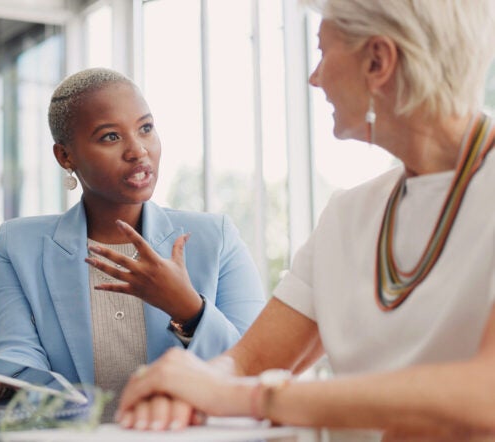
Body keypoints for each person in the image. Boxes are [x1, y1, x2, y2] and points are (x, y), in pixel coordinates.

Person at [113, 0, 495, 437]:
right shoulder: (348, 215)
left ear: (377, 61)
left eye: (322, 51)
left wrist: (253, 397)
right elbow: (246, 363)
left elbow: (487, 392)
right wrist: (183, 386)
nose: (315, 78)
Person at [0, 67, 266, 421]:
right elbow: (19, 360)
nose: (138, 151)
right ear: (65, 157)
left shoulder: (216, 238)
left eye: (146, 128)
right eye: (110, 137)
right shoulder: (18, 247)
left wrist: (189, 310)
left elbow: (256, 368)